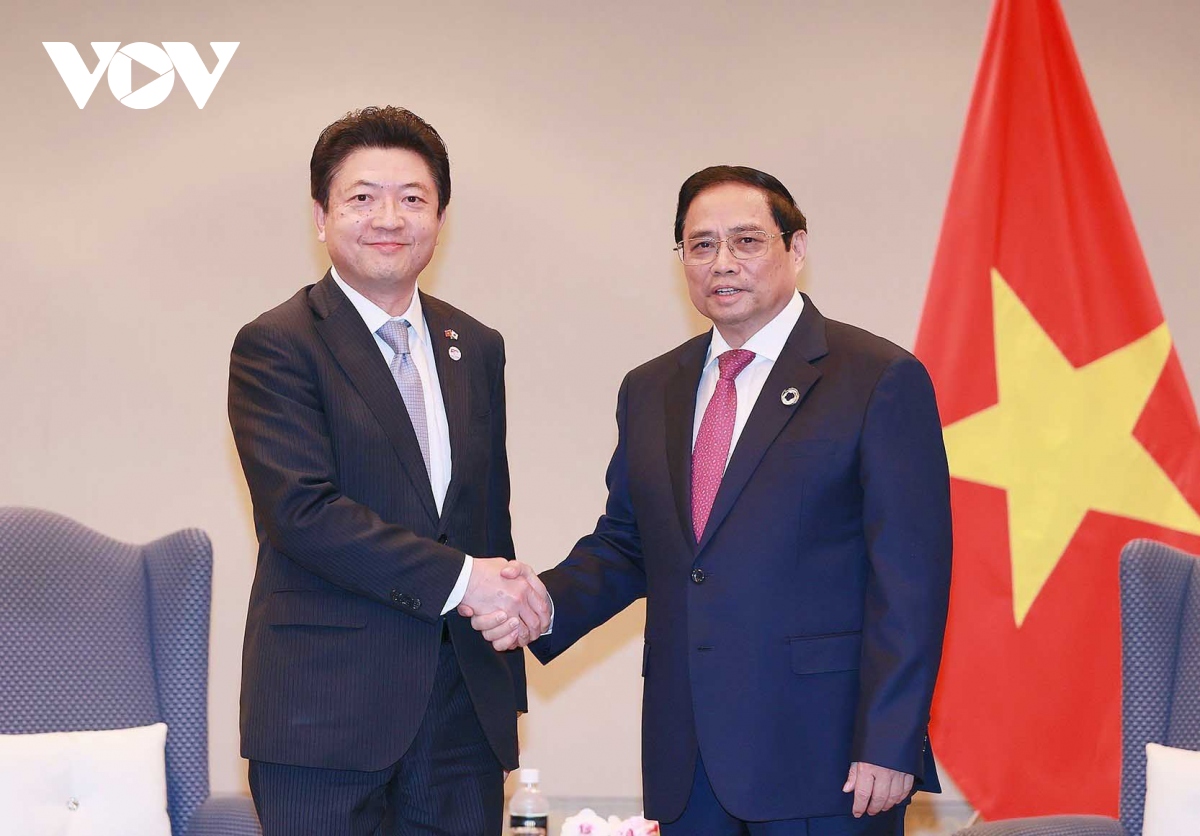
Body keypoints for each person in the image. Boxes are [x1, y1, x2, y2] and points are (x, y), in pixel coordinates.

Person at [465, 166, 953, 834]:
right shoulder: (651, 388)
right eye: (701, 245)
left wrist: (891, 739)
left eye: (746, 241)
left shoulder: (876, 378)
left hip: (826, 757)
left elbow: (912, 578)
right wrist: (545, 604)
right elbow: (630, 543)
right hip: (688, 759)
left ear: (796, 248)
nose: (722, 262)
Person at [228, 106, 549, 836]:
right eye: (362, 197)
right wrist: (467, 581)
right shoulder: (277, 344)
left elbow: (484, 518)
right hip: (324, 717)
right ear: (321, 216)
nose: (389, 219)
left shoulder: (477, 345)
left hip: (461, 719)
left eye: (412, 198)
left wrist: (506, 639)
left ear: (440, 218)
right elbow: (302, 513)